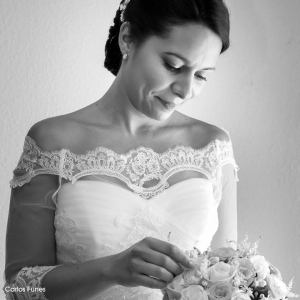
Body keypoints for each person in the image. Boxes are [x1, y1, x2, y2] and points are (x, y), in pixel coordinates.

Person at [3, 0, 239, 299]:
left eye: (202, 75)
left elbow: (230, 276)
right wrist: (110, 269)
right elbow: (19, 287)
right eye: (173, 66)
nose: (186, 89)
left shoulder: (213, 147)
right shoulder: (52, 141)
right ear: (127, 38)